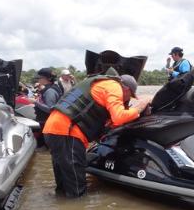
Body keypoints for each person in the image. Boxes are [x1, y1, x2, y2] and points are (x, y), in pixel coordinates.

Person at [43, 67, 149, 198]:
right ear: (126, 89)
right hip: (68, 132)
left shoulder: (101, 84)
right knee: (77, 188)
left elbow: (111, 121)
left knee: (64, 184)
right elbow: (119, 116)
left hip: (53, 130)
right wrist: (139, 107)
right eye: (130, 96)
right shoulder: (114, 86)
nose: (127, 100)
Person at [34, 68, 63, 146]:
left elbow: (50, 109)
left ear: (47, 79)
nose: (38, 80)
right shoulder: (53, 87)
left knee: (50, 146)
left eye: (40, 78)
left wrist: (35, 102)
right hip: (49, 122)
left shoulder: (50, 91)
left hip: (48, 122)